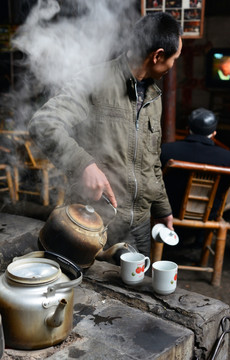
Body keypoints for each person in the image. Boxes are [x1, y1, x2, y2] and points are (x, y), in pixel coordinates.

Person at [28, 12, 182, 258]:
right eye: (174, 58)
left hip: (140, 226)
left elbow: (152, 161)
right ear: (158, 56)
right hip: (94, 222)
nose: (174, 64)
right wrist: (83, 165)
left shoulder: (154, 96)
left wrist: (162, 209)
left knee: (138, 293)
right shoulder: (94, 79)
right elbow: (44, 124)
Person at [160, 107, 230, 246]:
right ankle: (200, 241)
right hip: (207, 215)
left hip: (169, 210)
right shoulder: (227, 157)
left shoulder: (167, 150)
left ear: (188, 128)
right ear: (214, 133)